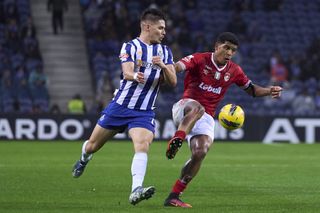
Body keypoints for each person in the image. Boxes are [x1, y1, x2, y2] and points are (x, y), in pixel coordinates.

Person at [164, 32, 282, 208]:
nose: (229, 52)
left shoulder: (234, 70)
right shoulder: (199, 59)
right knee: (198, 108)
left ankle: (174, 196)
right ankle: (178, 138)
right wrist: (169, 68)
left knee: (200, 152)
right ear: (216, 46)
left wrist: (269, 90)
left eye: (233, 50)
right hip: (185, 107)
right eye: (226, 47)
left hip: (206, 117)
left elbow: (251, 90)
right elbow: (179, 66)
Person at [71, 8, 176, 205]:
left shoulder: (165, 52)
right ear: (147, 26)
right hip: (120, 106)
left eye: (164, 28)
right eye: (160, 28)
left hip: (144, 111)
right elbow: (127, 72)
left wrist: (162, 66)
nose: (164, 32)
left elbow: (173, 81)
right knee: (93, 145)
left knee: (142, 145)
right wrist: (136, 75)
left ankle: (136, 189)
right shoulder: (130, 46)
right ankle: (84, 158)